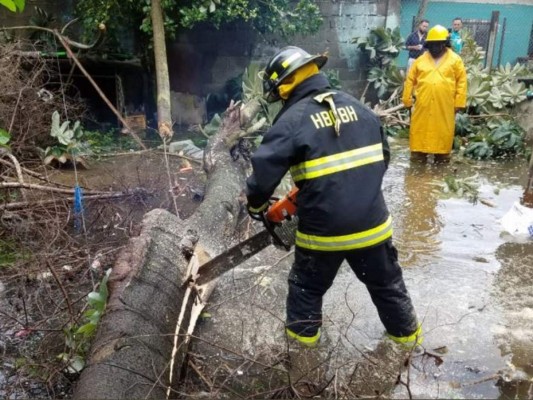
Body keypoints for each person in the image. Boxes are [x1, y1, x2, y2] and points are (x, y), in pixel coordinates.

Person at [245, 46, 421, 348]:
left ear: (284, 87)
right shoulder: (361, 109)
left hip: (322, 237)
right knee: (388, 287)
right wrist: (352, 190)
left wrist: (257, 206)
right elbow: (384, 158)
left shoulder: (291, 122)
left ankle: (301, 360)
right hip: (373, 229)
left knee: (306, 290)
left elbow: (263, 175)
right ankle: (409, 351)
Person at [402, 25, 467, 163]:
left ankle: (442, 159)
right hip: (422, 105)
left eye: (439, 44)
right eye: (432, 45)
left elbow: (461, 82)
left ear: (445, 44)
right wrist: (407, 100)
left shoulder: (455, 60)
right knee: (419, 139)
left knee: (442, 138)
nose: (435, 48)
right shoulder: (420, 60)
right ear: (428, 45)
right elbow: (410, 80)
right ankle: (418, 162)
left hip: (445, 106)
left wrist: (459, 103)